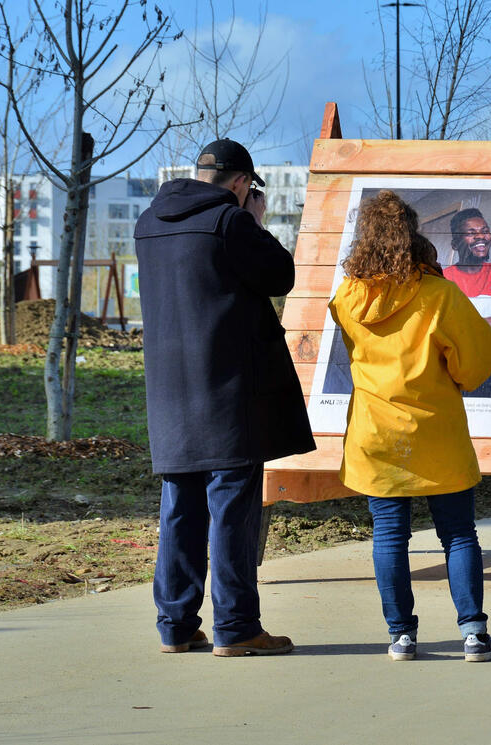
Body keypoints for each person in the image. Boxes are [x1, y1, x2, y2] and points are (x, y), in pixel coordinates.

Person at [135, 139, 314, 657]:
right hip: (228, 391)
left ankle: (175, 625)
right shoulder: (230, 223)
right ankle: (236, 628)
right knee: (232, 510)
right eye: (250, 190)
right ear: (241, 183)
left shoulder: (149, 223)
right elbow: (281, 276)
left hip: (169, 390)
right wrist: (255, 222)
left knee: (180, 508)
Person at [330, 190, 491, 662]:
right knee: (458, 533)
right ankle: (473, 634)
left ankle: (401, 636)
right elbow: (475, 366)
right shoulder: (440, 295)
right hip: (435, 433)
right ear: (414, 239)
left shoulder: (347, 297)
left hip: (375, 434)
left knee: (389, 536)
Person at [441, 207, 491, 397]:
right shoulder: (442, 278)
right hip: (446, 373)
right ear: (455, 243)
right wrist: (489, 322)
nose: (481, 237)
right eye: (471, 233)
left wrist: (462, 325)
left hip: (484, 373)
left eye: (485, 231)